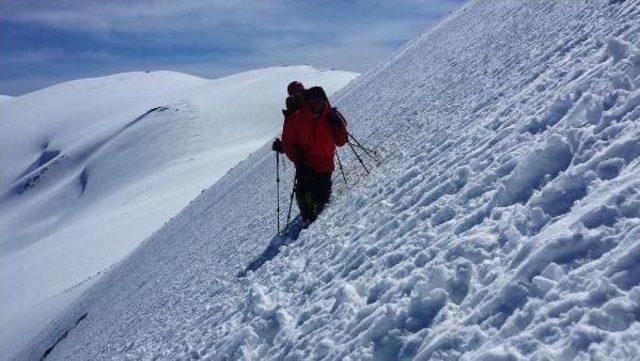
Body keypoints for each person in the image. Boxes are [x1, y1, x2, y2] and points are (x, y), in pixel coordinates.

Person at [272, 84, 348, 226]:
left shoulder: (324, 110)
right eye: (293, 96)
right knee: (304, 188)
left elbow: (341, 140)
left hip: (324, 161)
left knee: (320, 195)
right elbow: (290, 141)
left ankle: (314, 212)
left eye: (298, 94)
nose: (296, 97)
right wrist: (296, 157)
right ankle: (307, 215)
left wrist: (337, 123)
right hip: (306, 161)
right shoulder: (295, 116)